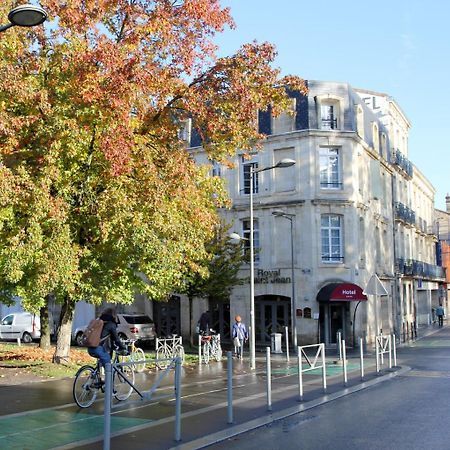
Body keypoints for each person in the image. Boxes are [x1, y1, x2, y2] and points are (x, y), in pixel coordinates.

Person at [87, 307, 128, 385]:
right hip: (98, 348)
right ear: (113, 315)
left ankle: (97, 378)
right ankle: (110, 391)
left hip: (90, 347)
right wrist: (123, 347)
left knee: (103, 361)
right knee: (109, 369)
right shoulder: (111, 324)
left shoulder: (98, 321)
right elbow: (116, 339)